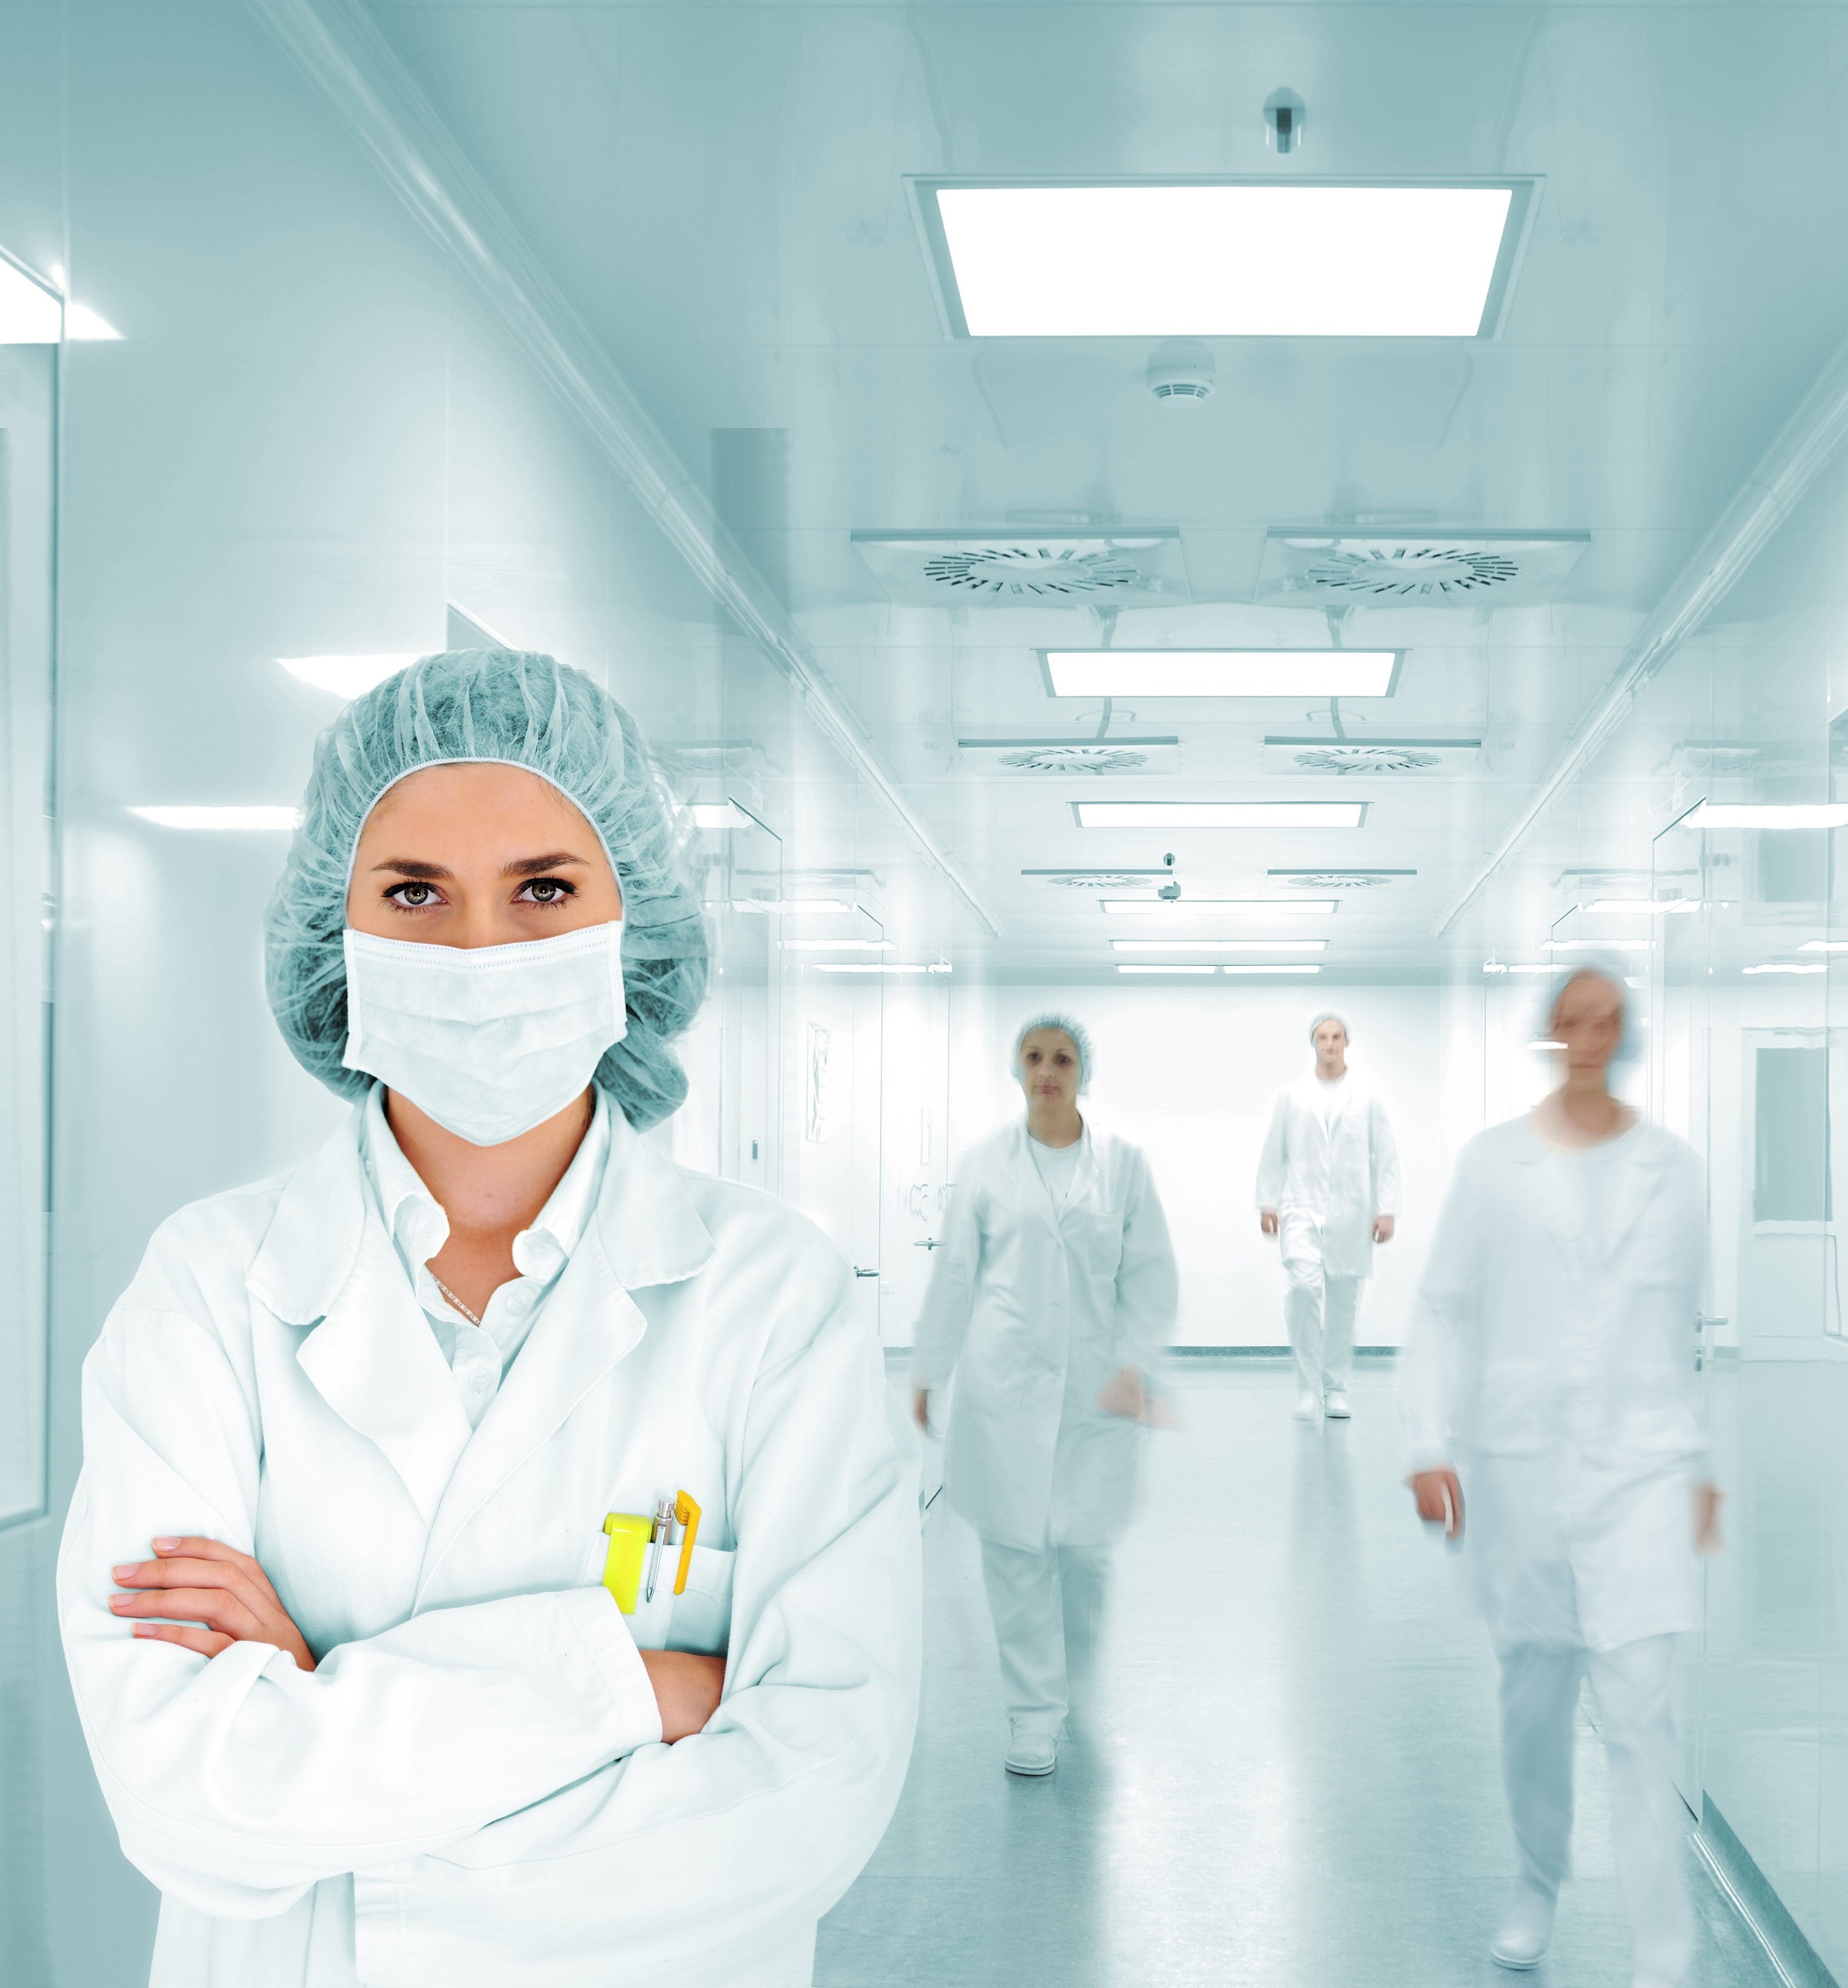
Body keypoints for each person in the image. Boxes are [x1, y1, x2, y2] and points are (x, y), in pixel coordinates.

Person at [56, 650, 921, 1988]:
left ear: (631, 923)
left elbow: (812, 1791)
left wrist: (327, 1737)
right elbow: (180, 1793)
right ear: (330, 931)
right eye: (413, 892)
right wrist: (634, 1687)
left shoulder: (771, 1297)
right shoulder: (206, 1286)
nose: (478, 948)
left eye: (544, 890)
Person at [1398, 967, 1723, 1987]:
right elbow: (1443, 1309)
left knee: (1640, 1711)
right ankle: (1537, 1882)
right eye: (1573, 1021)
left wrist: (1702, 1463)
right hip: (1521, 1471)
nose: (1590, 1037)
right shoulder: (1494, 1165)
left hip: (1640, 1472)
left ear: (1626, 1035)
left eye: (1609, 1022)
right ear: (1551, 1032)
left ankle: (1661, 1948)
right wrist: (1426, 1445)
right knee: (1534, 1705)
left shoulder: (1673, 1169)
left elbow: (1682, 1333)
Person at [912, 1014, 1177, 1779]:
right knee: (1014, 1555)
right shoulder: (986, 1166)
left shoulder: (1123, 1166)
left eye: (1061, 1058)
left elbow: (1149, 1272)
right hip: (1006, 1386)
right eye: (1033, 1056)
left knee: (1083, 1555)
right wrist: (930, 1366)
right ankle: (1032, 1716)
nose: (1047, 1070)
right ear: (1016, 1069)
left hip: (1096, 1389)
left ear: (1082, 1071)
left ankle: (1073, 1687)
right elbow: (956, 1272)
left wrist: (1134, 1361)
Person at [1256, 1011, 1400, 1422]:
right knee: (1303, 1290)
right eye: (1323, 1037)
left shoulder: (1368, 1098)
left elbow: (1385, 1156)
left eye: (1337, 1036)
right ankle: (1307, 1388)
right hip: (1301, 1208)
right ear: (1314, 1043)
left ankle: (1335, 1389)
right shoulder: (1293, 1096)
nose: (1330, 1044)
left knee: (1342, 1306)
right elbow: (1274, 1149)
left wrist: (1386, 1210)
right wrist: (1268, 1202)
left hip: (1351, 1213)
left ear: (1346, 1043)